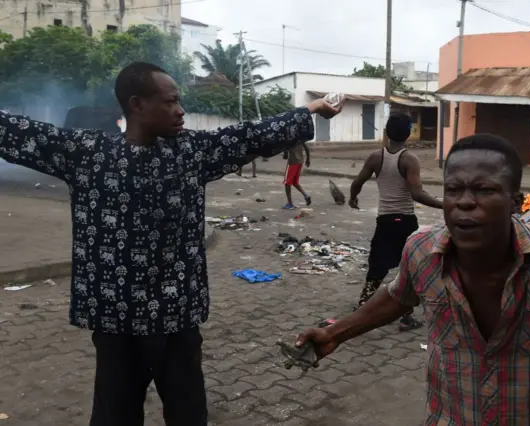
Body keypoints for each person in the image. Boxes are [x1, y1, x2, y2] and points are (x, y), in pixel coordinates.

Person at [0, 61, 343, 426]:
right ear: (137, 105)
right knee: (115, 415)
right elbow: (18, 133)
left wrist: (310, 108)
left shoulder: (189, 151)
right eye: (170, 102)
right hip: (119, 325)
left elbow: (251, 135)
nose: (180, 111)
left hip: (176, 322)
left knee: (187, 414)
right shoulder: (88, 154)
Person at [296, 133, 530, 424]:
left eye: (484, 190)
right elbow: (398, 296)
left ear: (516, 202)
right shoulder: (421, 251)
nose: (464, 203)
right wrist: (334, 333)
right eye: (453, 190)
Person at [349, 113, 442, 331]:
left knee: (378, 264)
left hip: (385, 219)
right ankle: (406, 316)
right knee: (410, 267)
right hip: (405, 221)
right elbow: (417, 194)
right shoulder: (409, 159)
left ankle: (365, 303)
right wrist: (444, 205)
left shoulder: (375, 157)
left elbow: (357, 181)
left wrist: (353, 198)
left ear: (386, 131)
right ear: (408, 133)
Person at [282, 141, 311, 209]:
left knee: (287, 183)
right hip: (300, 161)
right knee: (295, 182)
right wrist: (308, 160)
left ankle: (290, 203)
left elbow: (285, 153)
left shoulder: (289, 138)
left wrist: (285, 154)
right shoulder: (300, 137)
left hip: (292, 162)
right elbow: (307, 149)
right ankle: (306, 196)